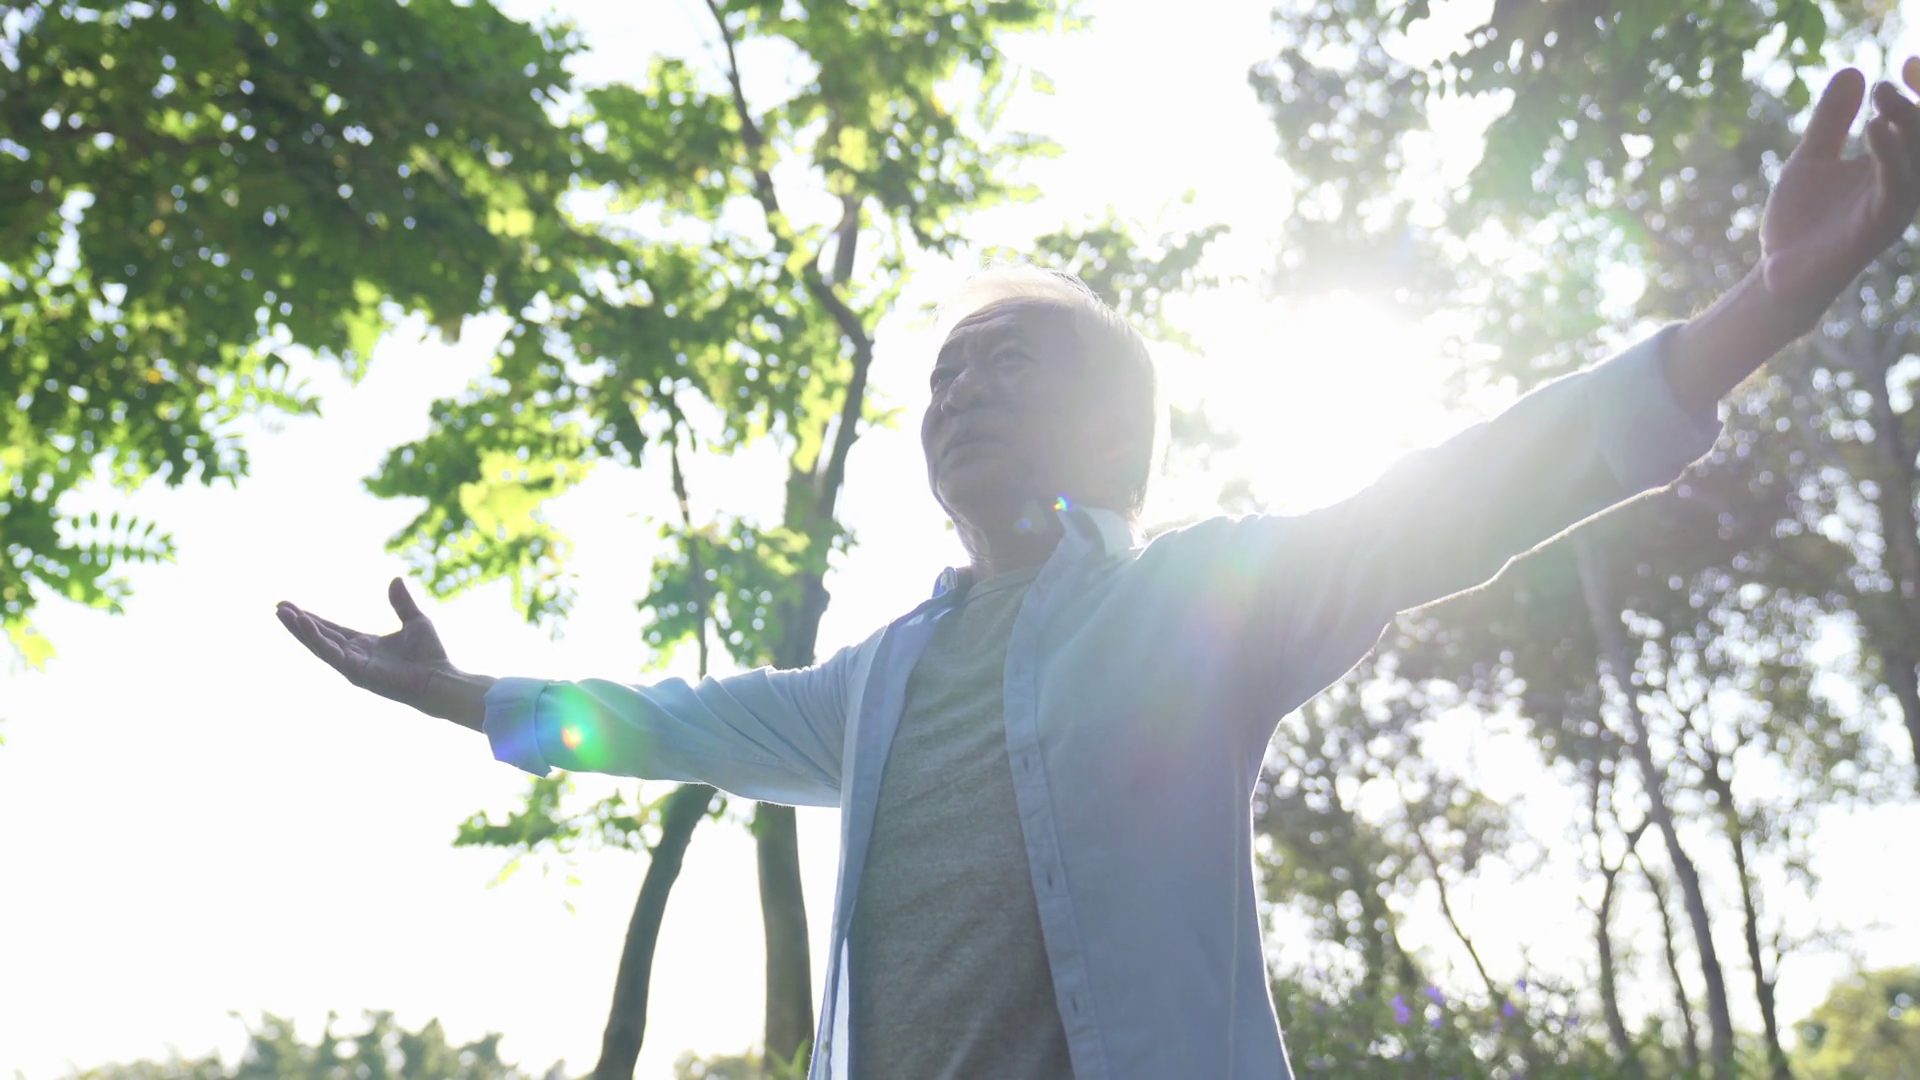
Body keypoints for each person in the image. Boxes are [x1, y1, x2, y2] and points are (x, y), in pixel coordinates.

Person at [278, 65, 1920, 1080]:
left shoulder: (1200, 604)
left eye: (1008, 363)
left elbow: (1469, 489)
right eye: (944, 377)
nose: (960, 393)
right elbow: (666, 721)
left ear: (1116, 431)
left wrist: (1766, 307)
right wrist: (459, 696)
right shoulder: (876, 682)